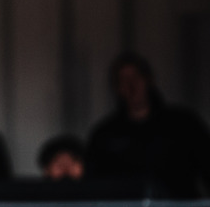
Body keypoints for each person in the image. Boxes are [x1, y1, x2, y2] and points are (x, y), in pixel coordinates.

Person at [87, 51, 210, 199]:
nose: (131, 85)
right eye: (124, 80)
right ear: (117, 87)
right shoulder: (105, 135)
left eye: (136, 77)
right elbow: (94, 184)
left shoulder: (183, 124)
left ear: (149, 80)